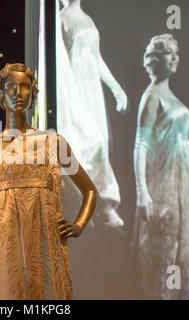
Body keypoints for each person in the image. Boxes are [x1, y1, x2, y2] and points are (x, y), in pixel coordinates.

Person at [0, 63, 97, 299]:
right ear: (0, 93)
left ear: (33, 93)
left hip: (44, 245)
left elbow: (90, 190)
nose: (18, 93)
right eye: (11, 87)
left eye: (25, 86)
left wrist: (78, 225)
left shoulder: (53, 142)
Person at [132, 34, 189, 299]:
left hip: (184, 186)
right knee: (164, 254)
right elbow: (141, 145)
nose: (175, 57)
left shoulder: (170, 96)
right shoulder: (152, 97)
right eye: (168, 52)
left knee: (186, 252)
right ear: (155, 58)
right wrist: (143, 192)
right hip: (163, 187)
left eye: (176, 52)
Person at [57, 0, 127, 227]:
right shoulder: (61, 20)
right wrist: (69, 97)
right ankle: (86, 201)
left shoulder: (87, 19)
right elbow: (61, 64)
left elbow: (96, 58)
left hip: (92, 91)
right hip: (74, 88)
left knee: (101, 141)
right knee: (86, 141)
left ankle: (103, 203)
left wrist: (116, 89)